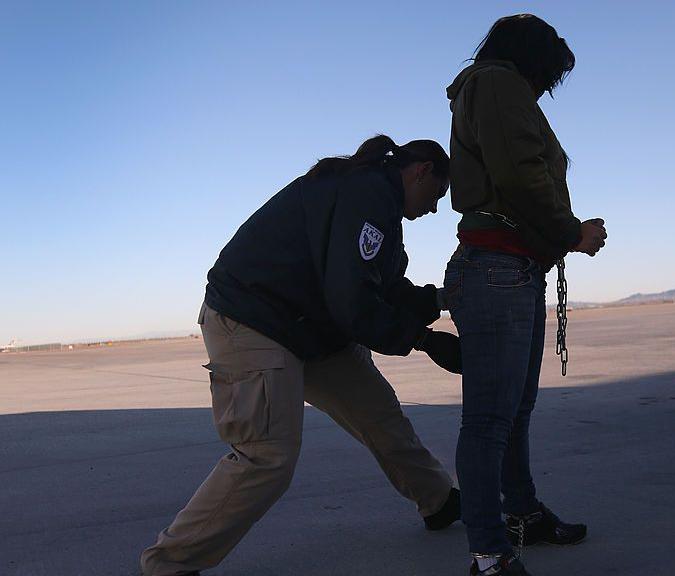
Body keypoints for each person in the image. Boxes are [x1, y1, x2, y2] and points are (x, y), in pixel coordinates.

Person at [140, 135, 464, 576]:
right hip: (255, 319)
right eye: (437, 195)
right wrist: (424, 341)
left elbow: (382, 288)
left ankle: (440, 501)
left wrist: (442, 299)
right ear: (421, 170)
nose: (434, 208)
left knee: (378, 413)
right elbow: (353, 302)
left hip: (310, 328)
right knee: (266, 455)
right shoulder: (367, 193)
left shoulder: (380, 210)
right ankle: (169, 564)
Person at [444, 14, 608, 576]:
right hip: (496, 268)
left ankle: (521, 515)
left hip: (512, 267)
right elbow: (519, 174)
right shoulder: (495, 82)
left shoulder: (493, 88)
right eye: (547, 75)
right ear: (531, 58)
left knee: (513, 413)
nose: (545, 89)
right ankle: (489, 552)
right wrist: (572, 232)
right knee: (491, 419)